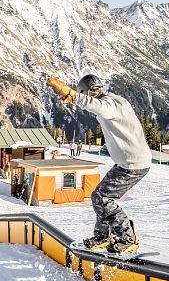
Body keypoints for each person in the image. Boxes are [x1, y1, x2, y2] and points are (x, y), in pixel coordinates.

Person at [47, 74, 152, 255]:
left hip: (133, 163)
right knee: (99, 195)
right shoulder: (114, 100)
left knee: (102, 198)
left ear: (88, 92)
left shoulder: (109, 104)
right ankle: (103, 237)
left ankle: (127, 237)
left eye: (84, 94)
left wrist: (72, 95)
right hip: (127, 161)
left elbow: (98, 107)